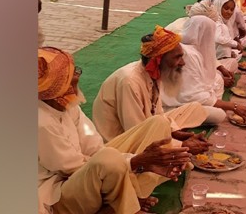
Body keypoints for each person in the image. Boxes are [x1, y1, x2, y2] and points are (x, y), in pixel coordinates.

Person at [38, 47, 203, 214]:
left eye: (76, 70)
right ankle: (125, 203)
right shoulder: (41, 122)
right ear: (55, 88)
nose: (77, 75)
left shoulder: (67, 105)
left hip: (89, 169)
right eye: (70, 76)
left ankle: (121, 200)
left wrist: (168, 140)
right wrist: (138, 162)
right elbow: (72, 168)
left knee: (159, 123)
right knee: (110, 160)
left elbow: (94, 147)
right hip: (57, 194)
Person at [91, 26, 211, 144]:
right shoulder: (130, 82)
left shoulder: (155, 73)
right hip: (121, 141)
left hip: (146, 126)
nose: (183, 63)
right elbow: (136, 133)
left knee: (196, 108)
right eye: (177, 57)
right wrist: (180, 144)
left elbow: (158, 115)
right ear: (158, 60)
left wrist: (174, 132)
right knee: (177, 157)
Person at [160, 16, 246, 123]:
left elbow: (208, 62)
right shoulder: (188, 54)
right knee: (219, 115)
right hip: (173, 105)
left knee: (218, 79)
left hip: (188, 97)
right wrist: (233, 106)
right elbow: (191, 96)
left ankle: (212, 104)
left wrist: (221, 69)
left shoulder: (191, 48)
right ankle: (176, 118)